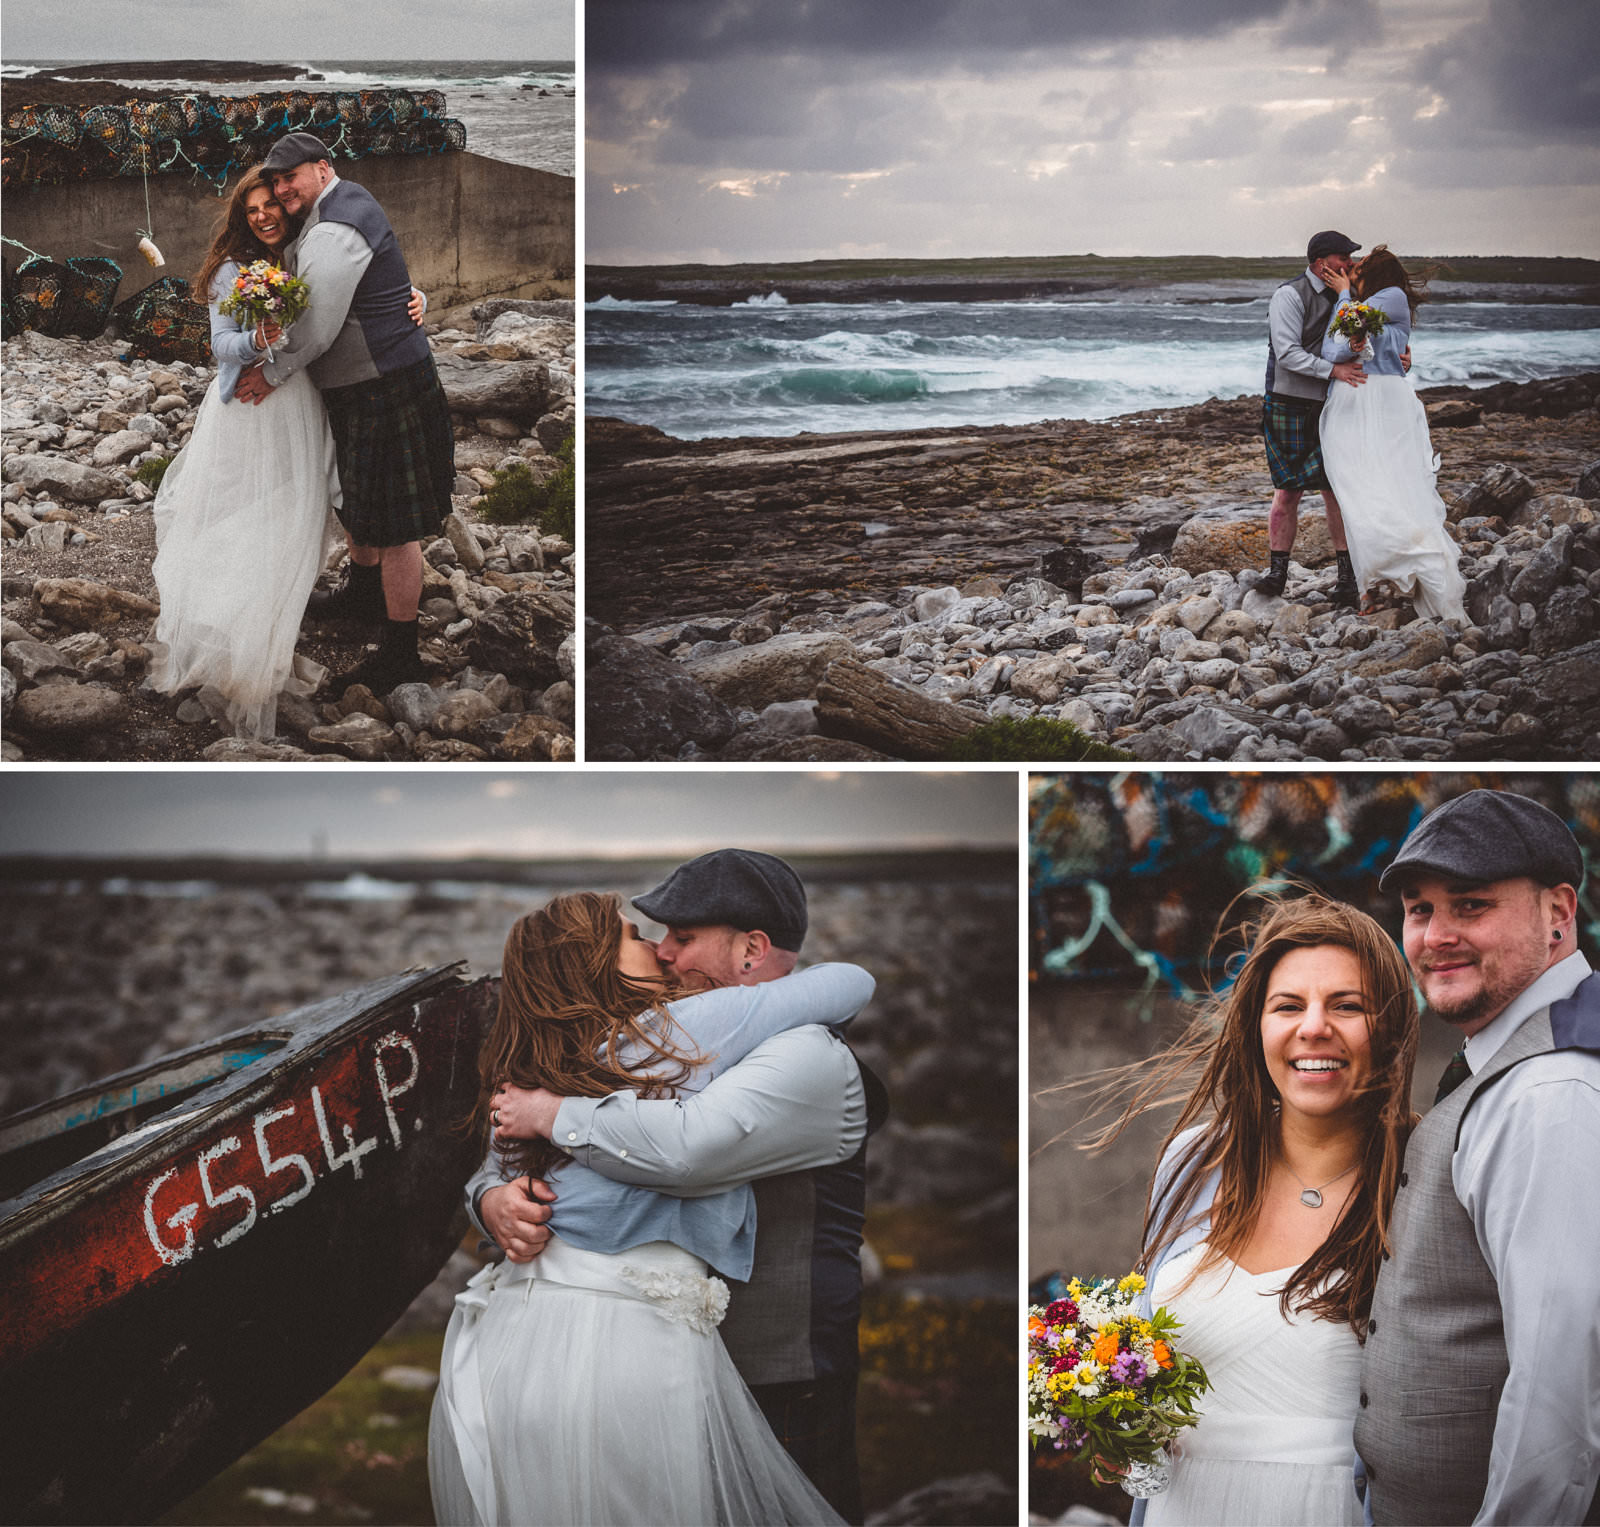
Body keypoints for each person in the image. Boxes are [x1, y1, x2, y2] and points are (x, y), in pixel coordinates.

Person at [428, 887, 875, 1526]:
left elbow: (503, 1154)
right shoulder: (692, 1028)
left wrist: (496, 1188)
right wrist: (491, 1198)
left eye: (676, 939)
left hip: (511, 1342)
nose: (661, 953)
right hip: (618, 1345)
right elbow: (848, 982)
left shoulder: (540, 1057)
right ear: (596, 967)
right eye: (637, 938)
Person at [1087, 894, 1418, 1526]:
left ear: (1391, 1028)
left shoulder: (1423, 1176)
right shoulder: (1193, 1162)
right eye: (1287, 1005)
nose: (1313, 1027)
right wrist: (1119, 1426)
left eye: (1346, 1005)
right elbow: (1144, 1352)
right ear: (1256, 1027)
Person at [1355, 789, 1600, 1526]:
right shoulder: (1512, 1058)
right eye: (1420, 909)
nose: (1434, 936)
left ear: (1559, 912)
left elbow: (1562, 1387)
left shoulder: (1550, 1091)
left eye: (1470, 905)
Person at [236, 132, 456, 697]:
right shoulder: (334, 208)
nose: (282, 190)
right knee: (356, 495)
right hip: (364, 383)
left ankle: (401, 654)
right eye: (276, 180)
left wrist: (273, 372)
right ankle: (361, 595)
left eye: (291, 178)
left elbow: (317, 324)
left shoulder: (335, 227)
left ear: (322, 168)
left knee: (396, 523)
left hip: (384, 384)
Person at [145, 168, 339, 740]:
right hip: (249, 409)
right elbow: (220, 342)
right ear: (242, 216)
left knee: (291, 520)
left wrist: (416, 296)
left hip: (299, 403)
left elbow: (342, 307)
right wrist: (260, 337)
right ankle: (230, 644)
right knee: (235, 516)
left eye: (271, 205)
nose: (263, 215)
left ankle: (269, 640)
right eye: (252, 209)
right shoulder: (233, 269)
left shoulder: (307, 253)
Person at [1318, 247, 1468, 622]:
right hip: (1352, 399)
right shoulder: (1364, 303)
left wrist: (1342, 297)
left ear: (1375, 273)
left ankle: (1407, 564)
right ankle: (1371, 579)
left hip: (1381, 398)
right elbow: (1331, 350)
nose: (1351, 272)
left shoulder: (1391, 297)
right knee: (1356, 487)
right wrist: (1348, 315)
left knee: (1394, 482)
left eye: (1358, 267)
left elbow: (1344, 339)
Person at [1255, 230, 1369, 606]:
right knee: (1288, 490)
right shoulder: (1289, 296)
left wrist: (1400, 355)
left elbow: (1365, 343)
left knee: (1335, 489)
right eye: (1343, 258)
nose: (1350, 264)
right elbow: (1286, 353)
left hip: (1333, 405)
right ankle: (1277, 575)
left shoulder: (1348, 297)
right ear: (1322, 263)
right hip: (1288, 402)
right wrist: (1333, 372)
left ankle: (1347, 580)